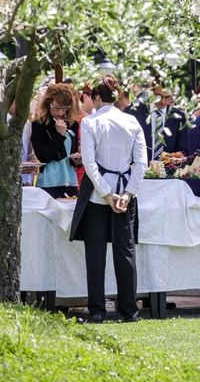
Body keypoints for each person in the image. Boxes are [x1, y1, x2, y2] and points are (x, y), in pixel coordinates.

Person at [69, 75, 147, 323]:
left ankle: (98, 311)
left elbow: (90, 164)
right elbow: (141, 164)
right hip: (123, 191)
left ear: (96, 98)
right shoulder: (132, 121)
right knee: (125, 253)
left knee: (96, 255)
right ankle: (129, 311)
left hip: (97, 196)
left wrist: (106, 193)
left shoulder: (90, 122)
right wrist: (127, 194)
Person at [30, 83, 80, 199]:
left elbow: (70, 154)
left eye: (64, 109)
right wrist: (59, 135)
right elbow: (43, 156)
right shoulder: (39, 125)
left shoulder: (73, 124)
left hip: (70, 181)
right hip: (49, 183)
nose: (60, 113)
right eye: (56, 108)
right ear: (48, 104)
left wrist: (78, 161)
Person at [126, 85, 189, 161]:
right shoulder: (134, 112)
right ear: (152, 92)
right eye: (159, 96)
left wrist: (178, 157)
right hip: (139, 169)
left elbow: (184, 151)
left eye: (167, 97)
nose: (163, 101)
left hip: (168, 170)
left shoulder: (179, 117)